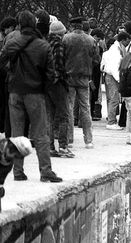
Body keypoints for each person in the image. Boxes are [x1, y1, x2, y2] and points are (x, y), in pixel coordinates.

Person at [0, 10, 62, 182]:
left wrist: (11, 75)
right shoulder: (43, 45)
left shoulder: (12, 41)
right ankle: (45, 171)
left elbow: (2, 61)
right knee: (41, 133)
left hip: (14, 92)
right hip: (35, 92)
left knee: (17, 133)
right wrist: (44, 88)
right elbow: (51, 74)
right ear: (35, 24)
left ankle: (18, 172)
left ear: (19, 24)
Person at [63, 16, 100, 149]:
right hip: (84, 77)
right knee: (85, 109)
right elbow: (96, 59)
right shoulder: (91, 40)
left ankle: (69, 139)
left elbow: (61, 57)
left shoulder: (66, 38)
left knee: (69, 108)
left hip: (69, 76)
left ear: (72, 26)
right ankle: (88, 140)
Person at [46, 20, 74, 158]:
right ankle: (63, 146)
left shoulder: (45, 44)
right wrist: (64, 78)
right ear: (60, 33)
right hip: (57, 83)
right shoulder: (59, 45)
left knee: (50, 116)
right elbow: (59, 66)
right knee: (64, 115)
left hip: (46, 84)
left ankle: (50, 147)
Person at [101, 31, 131, 131]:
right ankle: (111, 122)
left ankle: (111, 119)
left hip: (110, 75)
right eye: (127, 41)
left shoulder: (116, 48)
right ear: (123, 40)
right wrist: (119, 80)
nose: (128, 43)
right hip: (113, 76)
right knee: (114, 99)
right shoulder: (116, 51)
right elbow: (114, 67)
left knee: (111, 99)